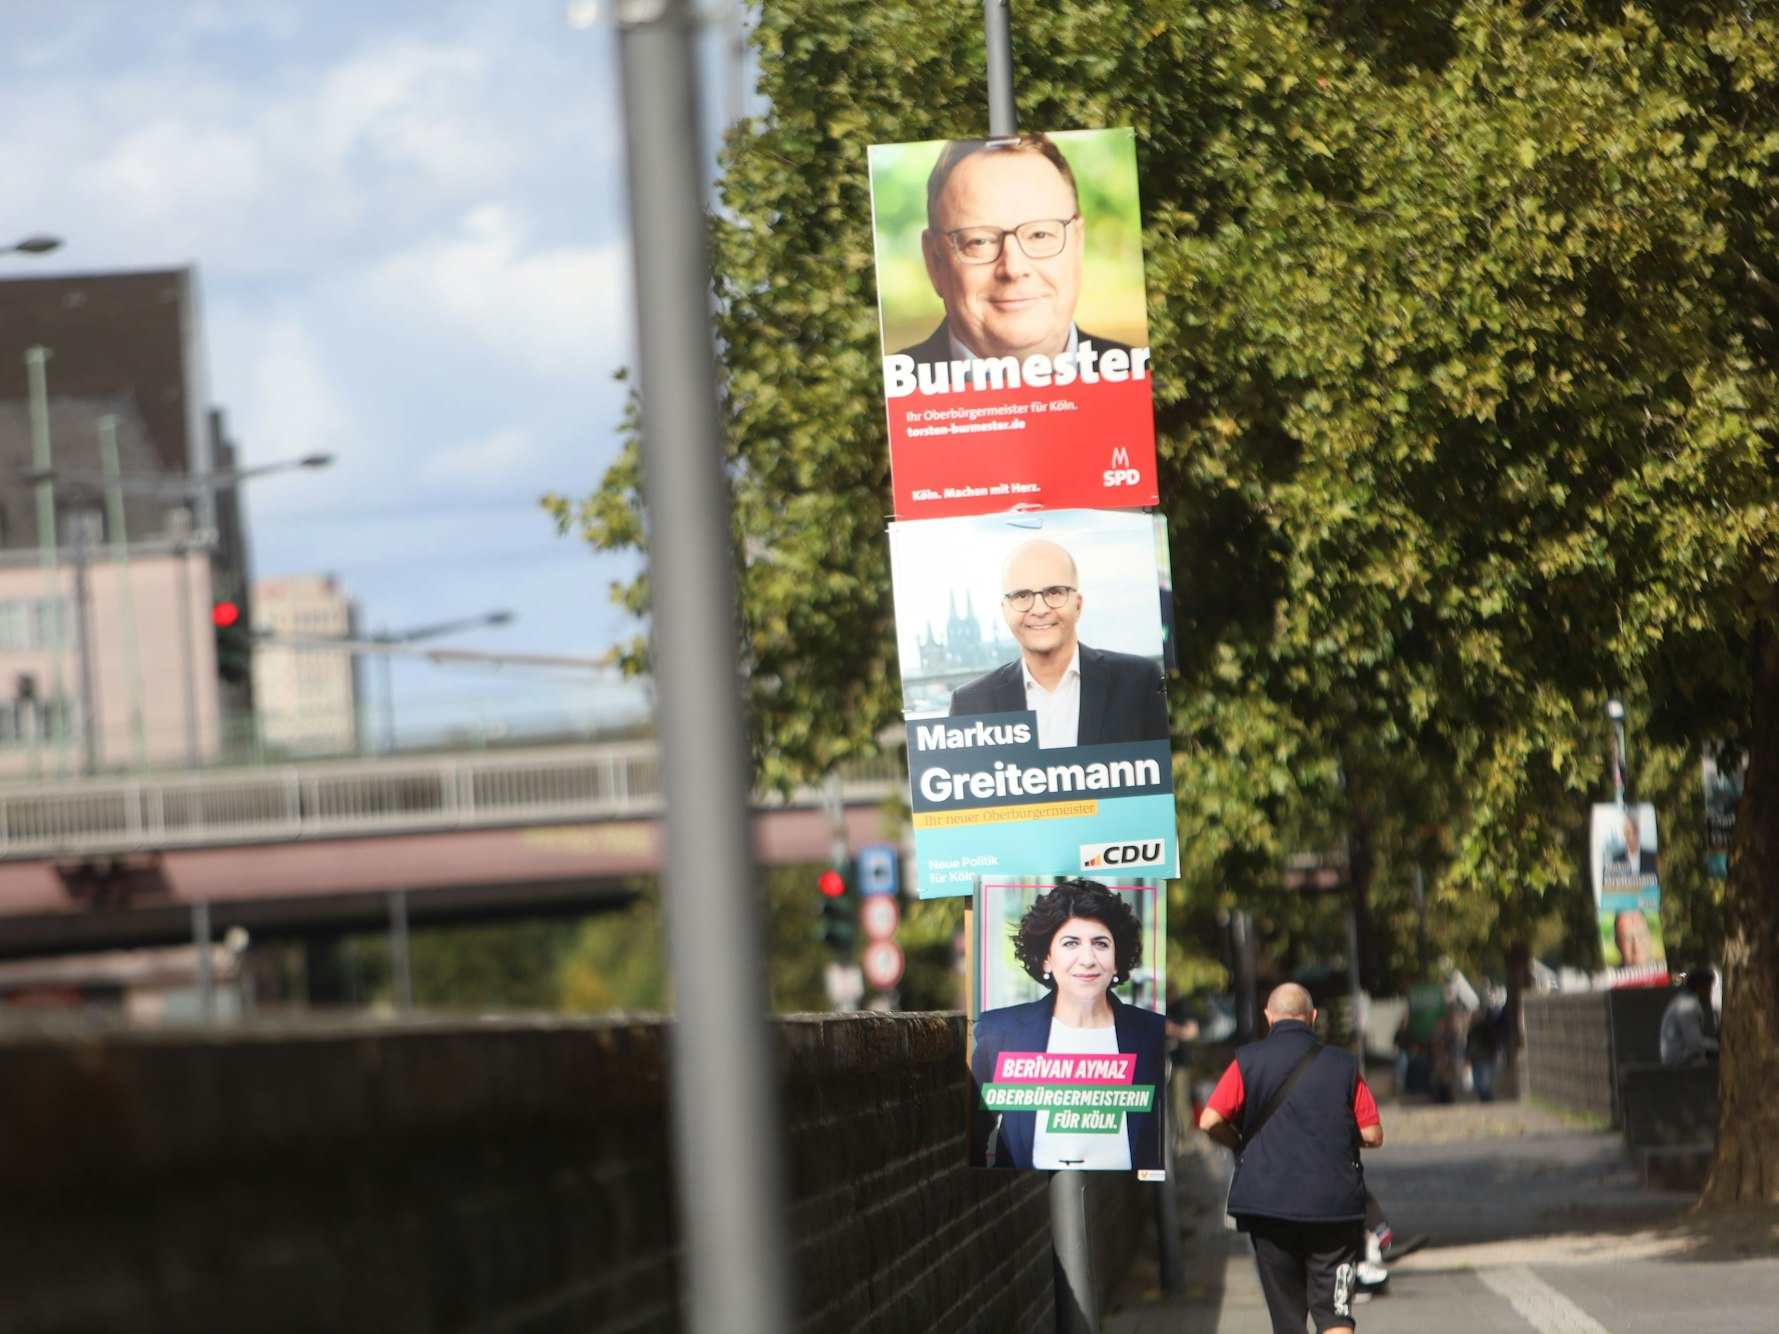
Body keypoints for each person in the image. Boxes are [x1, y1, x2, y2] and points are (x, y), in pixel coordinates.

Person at [1199, 983, 1383, 1334]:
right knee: (1335, 1313)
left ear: (1268, 1018)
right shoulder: (1343, 1065)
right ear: (1312, 1018)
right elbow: (1373, 1134)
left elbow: (1210, 1120)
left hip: (1268, 1206)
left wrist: (1239, 1144)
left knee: (1287, 1320)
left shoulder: (1246, 1061)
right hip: (1334, 1207)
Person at [969, 879, 1166, 1171]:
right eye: (1070, 943)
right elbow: (971, 1137)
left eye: (1100, 943)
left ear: (1116, 959)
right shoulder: (1001, 1033)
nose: (1087, 960)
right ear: (1046, 958)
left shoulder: (1152, 1034)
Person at [901, 134, 1133, 370]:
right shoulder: (885, 395)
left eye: (1039, 235)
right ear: (934, 261)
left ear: (1078, 243)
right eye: (979, 241)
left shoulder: (1144, 376)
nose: (1014, 269)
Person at [948, 538, 1168, 747]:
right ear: (1005, 611)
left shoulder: (1139, 681)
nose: (1040, 609)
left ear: (1078, 605)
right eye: (1022, 595)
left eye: (1054, 592)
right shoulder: (969, 704)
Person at [1660, 965, 1719, 1066]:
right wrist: (1719, 1047)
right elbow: (1695, 1044)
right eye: (1709, 988)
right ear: (1699, 987)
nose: (1710, 993)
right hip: (1678, 1060)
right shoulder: (1688, 1007)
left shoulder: (1683, 1001)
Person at [1608, 809, 1658, 875]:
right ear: (1626, 836)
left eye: (1637, 831)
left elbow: (1654, 881)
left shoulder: (1650, 858)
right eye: (1632, 832)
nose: (1636, 836)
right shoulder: (1617, 859)